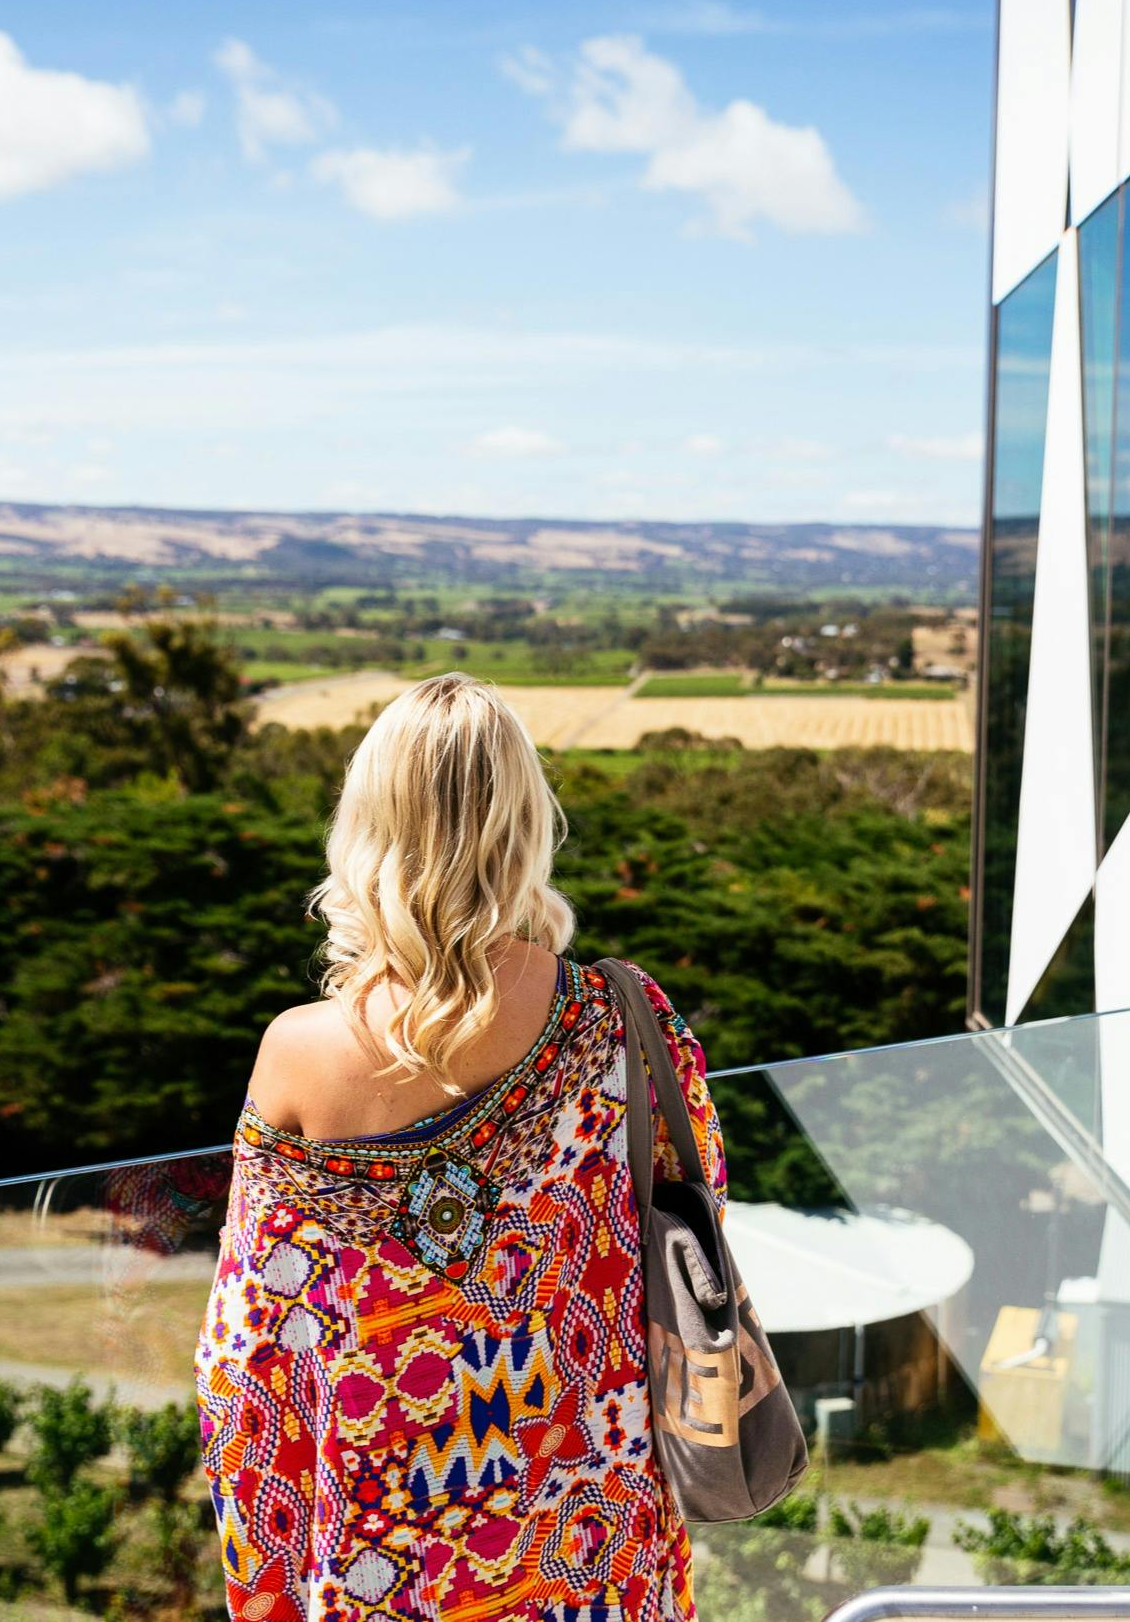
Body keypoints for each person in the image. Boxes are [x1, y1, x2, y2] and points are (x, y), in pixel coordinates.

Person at [195, 671, 726, 1622]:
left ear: (368, 828)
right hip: (595, 1545)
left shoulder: (299, 1055)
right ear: (526, 825)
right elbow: (699, 1231)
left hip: (386, 1569)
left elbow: (247, 1359)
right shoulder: (626, 1017)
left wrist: (271, 1587)